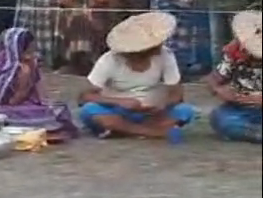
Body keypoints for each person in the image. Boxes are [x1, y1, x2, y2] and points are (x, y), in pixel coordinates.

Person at [77, 11, 196, 141]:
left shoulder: (165, 55)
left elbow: (176, 92)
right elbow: (85, 97)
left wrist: (163, 104)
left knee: (185, 110)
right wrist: (120, 102)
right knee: (89, 110)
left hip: (153, 113)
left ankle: (124, 130)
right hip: (118, 112)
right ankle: (152, 131)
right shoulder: (109, 60)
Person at [0, 27, 78, 137]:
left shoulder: (30, 64)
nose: (32, 53)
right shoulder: (0, 67)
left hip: (25, 106)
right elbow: (5, 102)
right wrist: (24, 83)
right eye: (28, 50)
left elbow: (40, 96)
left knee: (59, 108)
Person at [206, 10, 262, 143]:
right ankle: (253, 133)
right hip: (239, 109)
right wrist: (218, 90)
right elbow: (213, 79)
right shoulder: (234, 53)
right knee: (220, 117)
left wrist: (255, 99)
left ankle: (251, 133)